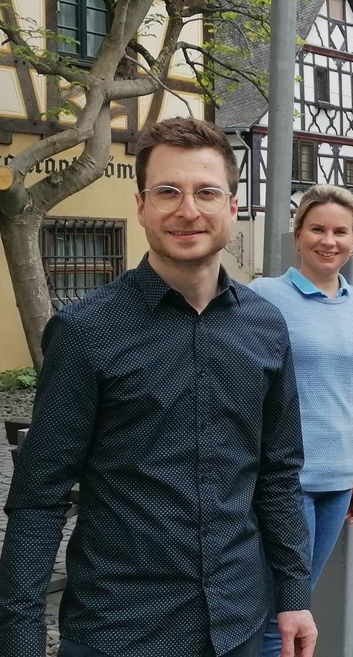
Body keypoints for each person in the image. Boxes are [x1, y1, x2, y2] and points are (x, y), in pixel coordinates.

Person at [0, 118, 317, 657]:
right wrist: (21, 640)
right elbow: (39, 497)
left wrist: (293, 593)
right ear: (141, 205)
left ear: (233, 207)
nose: (187, 209)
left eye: (206, 192)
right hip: (120, 631)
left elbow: (278, 472)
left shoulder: (265, 327)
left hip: (236, 624)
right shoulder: (86, 332)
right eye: (167, 191)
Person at [249, 185, 353, 657]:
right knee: (276, 616)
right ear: (297, 235)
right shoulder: (264, 297)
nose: (329, 240)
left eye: (341, 231)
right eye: (317, 229)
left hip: (337, 480)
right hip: (285, 483)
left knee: (299, 606)